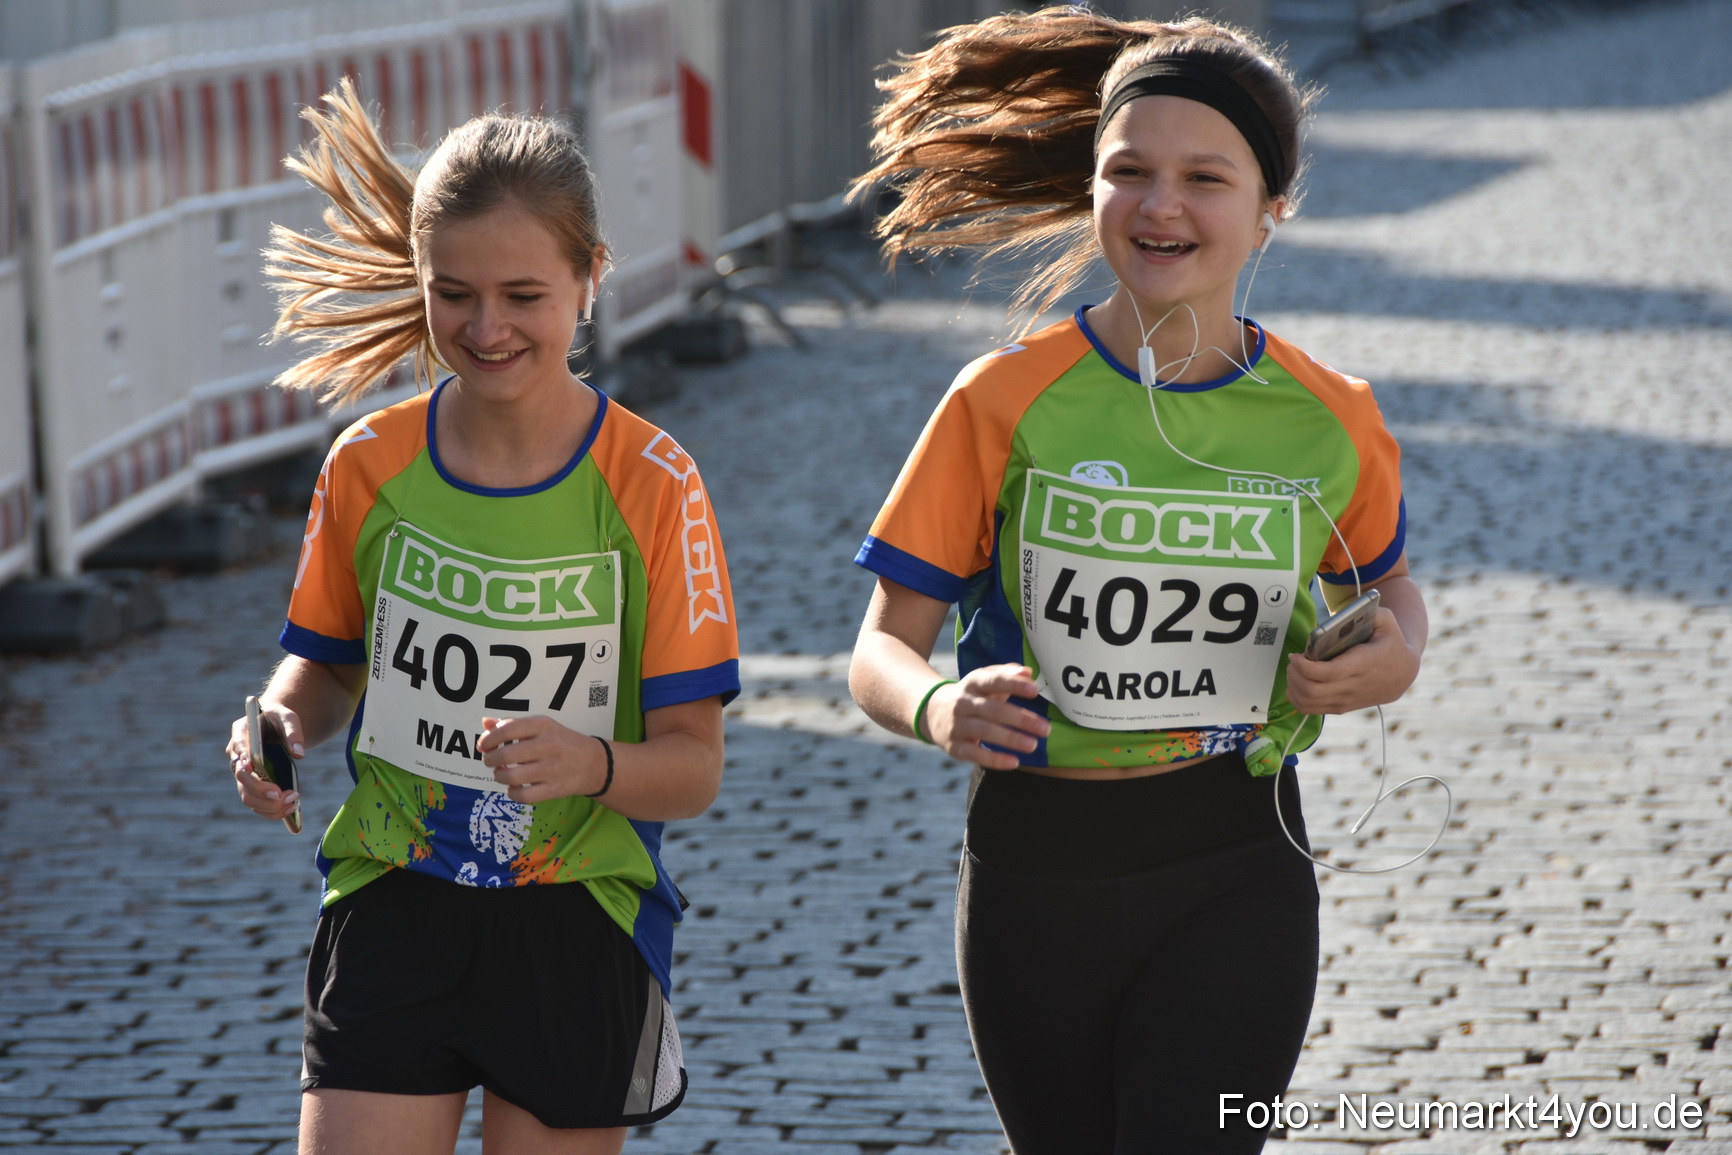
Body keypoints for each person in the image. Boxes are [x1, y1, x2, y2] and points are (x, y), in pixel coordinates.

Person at [847, 10, 1428, 1153]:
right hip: (1033, 872)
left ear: (1272, 208)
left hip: (1240, 865)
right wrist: (934, 704)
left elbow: (1392, 592)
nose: (1162, 206)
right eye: (1130, 172)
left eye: (1204, 178)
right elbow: (879, 646)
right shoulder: (998, 399)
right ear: (1093, 186)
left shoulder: (1330, 417)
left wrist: (1393, 654)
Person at [223, 80, 738, 1155]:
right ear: (419, 283)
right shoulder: (368, 462)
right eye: (453, 294)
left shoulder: (653, 482)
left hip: (577, 917)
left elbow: (692, 768)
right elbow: (319, 668)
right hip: (392, 898)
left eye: (523, 295)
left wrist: (589, 764)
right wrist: (274, 725)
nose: (486, 327)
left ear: (591, 280)